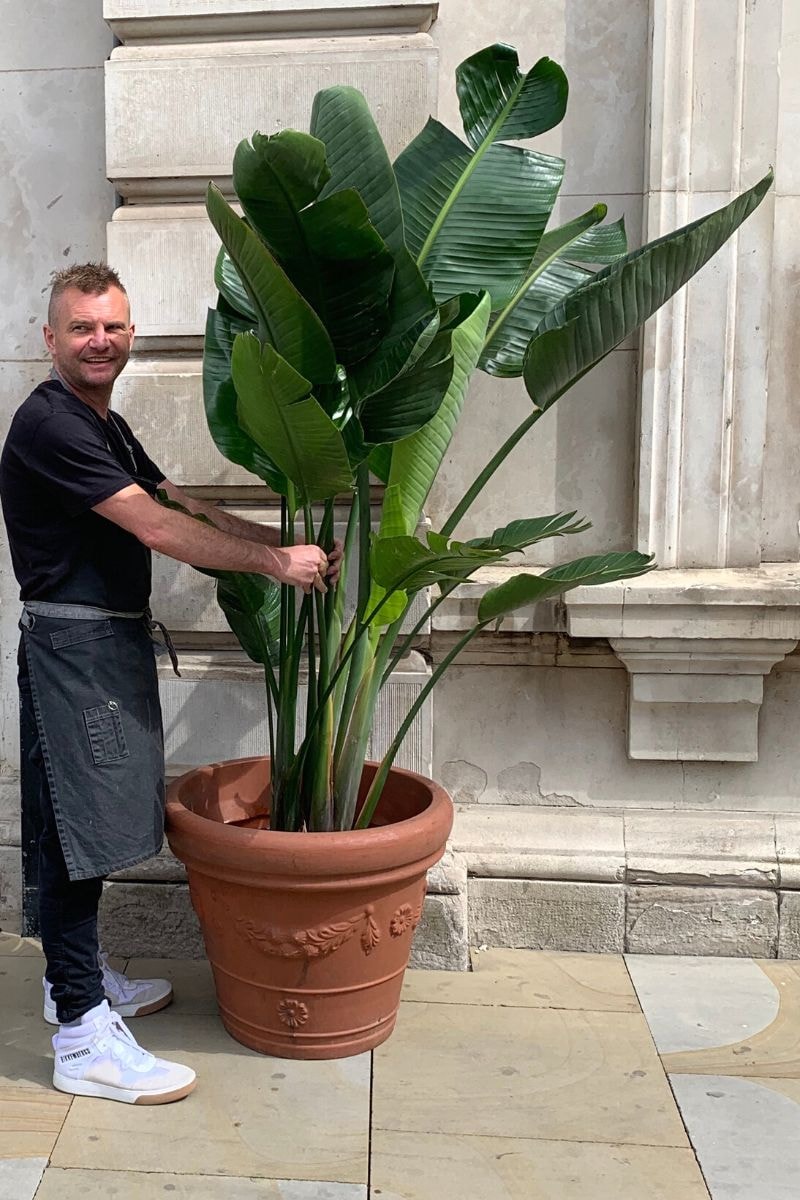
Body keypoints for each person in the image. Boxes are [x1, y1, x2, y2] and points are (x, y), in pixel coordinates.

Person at [0, 262, 340, 1105]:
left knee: (65, 822)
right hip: (74, 655)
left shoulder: (103, 424)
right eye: (82, 327)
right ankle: (81, 1037)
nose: (99, 341)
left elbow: (178, 500)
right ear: (50, 338)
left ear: (131, 334)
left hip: (99, 650)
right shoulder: (51, 425)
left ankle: (68, 984)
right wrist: (272, 564)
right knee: (80, 835)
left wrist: (287, 538)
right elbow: (154, 528)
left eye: (113, 326)